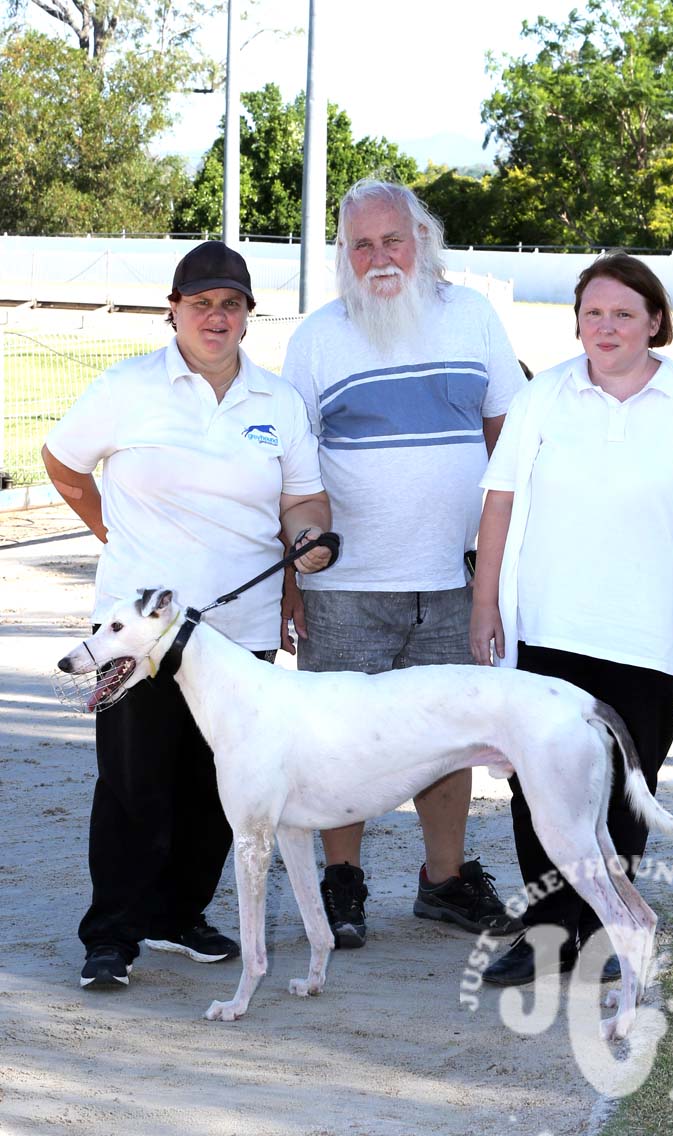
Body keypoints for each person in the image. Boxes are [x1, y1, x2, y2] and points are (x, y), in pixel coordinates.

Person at [43, 241, 333, 989]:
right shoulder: (126, 386)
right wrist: (111, 534)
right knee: (133, 783)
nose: (216, 316)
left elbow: (303, 499)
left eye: (231, 304)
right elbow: (63, 463)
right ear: (173, 309)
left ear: (248, 314)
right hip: (139, 640)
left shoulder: (277, 401)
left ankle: (178, 916)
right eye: (200, 303)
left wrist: (308, 544)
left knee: (217, 785)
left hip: (239, 635)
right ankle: (112, 936)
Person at [470, 251, 673, 987]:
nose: (606, 326)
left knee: (626, 789)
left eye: (624, 313)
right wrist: (485, 601)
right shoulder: (544, 395)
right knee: (538, 786)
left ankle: (604, 931)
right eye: (593, 313)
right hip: (547, 629)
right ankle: (547, 933)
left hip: (649, 634)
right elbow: (499, 501)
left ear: (655, 322)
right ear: (577, 323)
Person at [281, 179, 526, 948]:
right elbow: (289, 473)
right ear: (343, 254)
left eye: (392, 240)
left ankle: (444, 882)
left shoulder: (474, 316)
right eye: (361, 244)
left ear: (423, 239)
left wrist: (507, 568)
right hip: (344, 585)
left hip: (457, 579)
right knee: (338, 738)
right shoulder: (316, 338)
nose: (379, 257)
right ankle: (343, 884)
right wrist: (290, 580)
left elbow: (510, 441)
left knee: (450, 737)